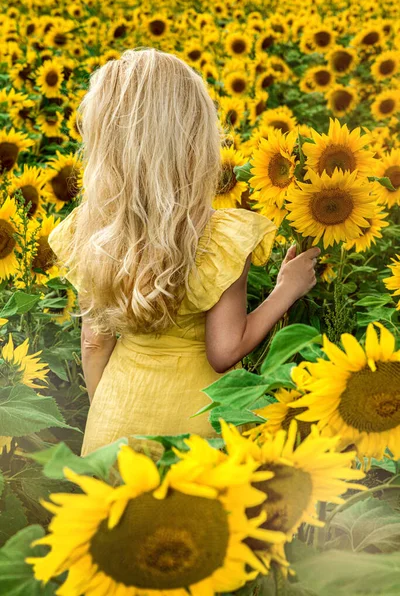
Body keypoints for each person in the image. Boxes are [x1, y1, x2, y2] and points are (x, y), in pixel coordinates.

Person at [47, 47, 320, 463]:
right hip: (197, 424)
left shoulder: (89, 232)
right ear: (195, 140)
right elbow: (224, 350)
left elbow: (93, 344)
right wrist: (286, 289)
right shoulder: (220, 237)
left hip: (114, 419)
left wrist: (110, 414)